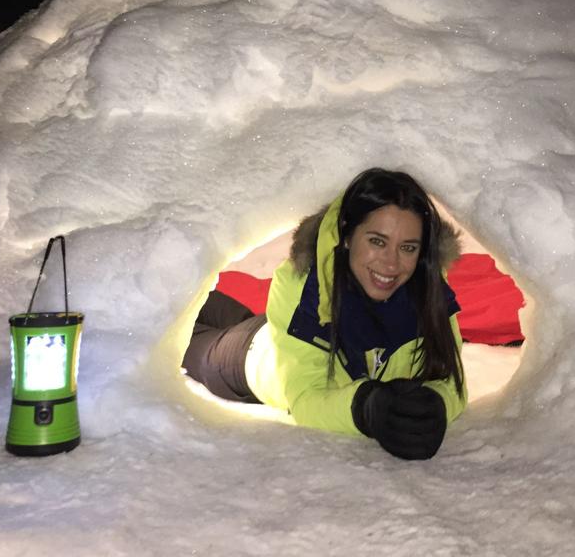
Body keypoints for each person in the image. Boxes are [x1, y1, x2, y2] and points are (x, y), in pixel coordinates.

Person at [182, 168, 467, 459]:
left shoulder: (429, 289)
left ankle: (198, 301)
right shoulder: (304, 284)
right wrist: (365, 408)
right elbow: (307, 398)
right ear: (346, 234)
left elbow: (449, 379)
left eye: (407, 248)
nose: (391, 264)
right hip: (253, 358)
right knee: (185, 340)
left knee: (225, 315)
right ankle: (173, 292)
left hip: (279, 332)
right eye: (377, 241)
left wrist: (436, 405)